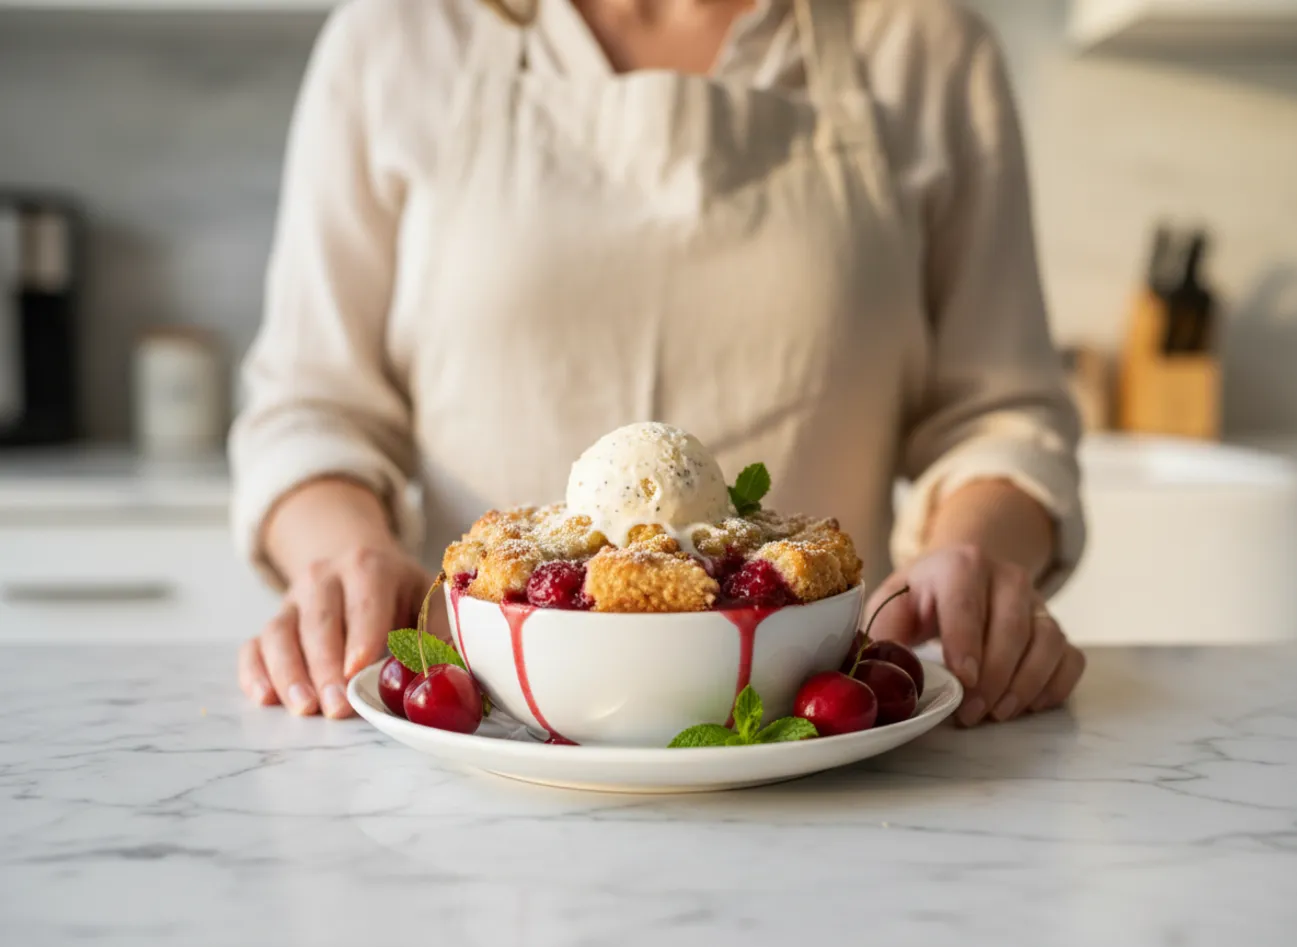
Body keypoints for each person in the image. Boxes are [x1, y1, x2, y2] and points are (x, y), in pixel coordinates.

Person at [231, 0, 1088, 728]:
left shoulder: (920, 47)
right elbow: (312, 405)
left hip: (806, 734)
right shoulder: (398, 39)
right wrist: (348, 555)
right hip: (482, 724)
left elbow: (999, 413)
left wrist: (971, 554)